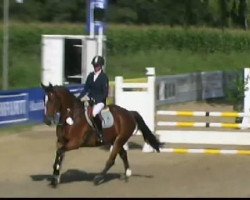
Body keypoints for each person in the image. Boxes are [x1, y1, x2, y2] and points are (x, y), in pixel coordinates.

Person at [78, 55, 109, 144]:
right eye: (94, 66)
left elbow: (105, 93)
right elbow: (86, 89)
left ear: (101, 66)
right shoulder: (90, 76)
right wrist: (79, 98)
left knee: (94, 114)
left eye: (97, 65)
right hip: (89, 100)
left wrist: (96, 100)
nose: (95, 67)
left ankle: (100, 133)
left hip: (100, 102)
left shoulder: (104, 77)